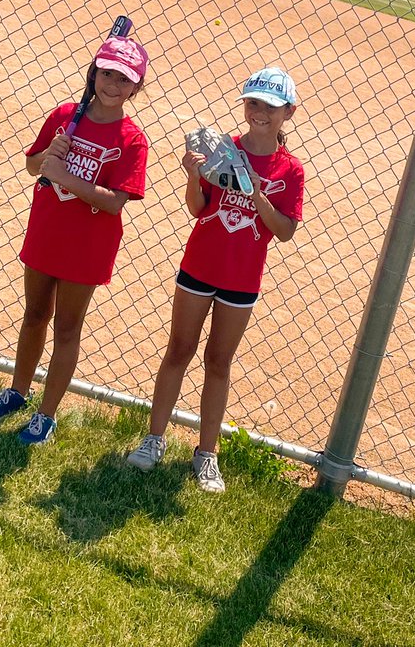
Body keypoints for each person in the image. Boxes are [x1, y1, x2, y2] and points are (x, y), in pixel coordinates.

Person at [126, 66, 304, 492]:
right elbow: (198, 208)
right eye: (254, 103)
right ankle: (154, 438)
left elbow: (284, 230)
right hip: (200, 266)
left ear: (288, 113)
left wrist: (256, 193)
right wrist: (194, 175)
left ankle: (207, 453)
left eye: (271, 107)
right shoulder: (223, 149)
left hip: (241, 278)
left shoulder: (289, 169)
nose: (260, 112)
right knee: (179, 350)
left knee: (218, 361)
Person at [0, 35, 149, 445]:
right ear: (94, 74)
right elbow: (32, 166)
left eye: (124, 79)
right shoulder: (64, 116)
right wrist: (48, 157)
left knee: (67, 329)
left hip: (87, 244)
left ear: (136, 87)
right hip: (48, 231)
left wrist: (65, 176)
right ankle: (17, 391)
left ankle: (46, 414)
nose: (112, 84)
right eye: (106, 73)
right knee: (35, 314)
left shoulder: (132, 139)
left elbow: (115, 202)